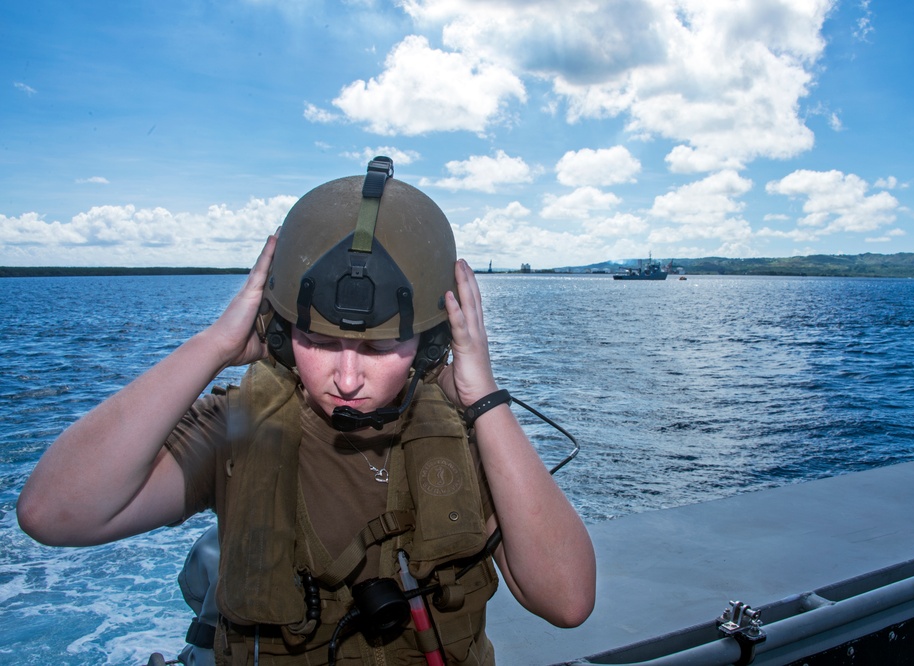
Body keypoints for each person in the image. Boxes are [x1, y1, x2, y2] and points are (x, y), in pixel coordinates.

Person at [17, 157, 596, 665]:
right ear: (277, 334)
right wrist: (215, 346)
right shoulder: (242, 429)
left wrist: (483, 399)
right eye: (317, 342)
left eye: (377, 348)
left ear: (432, 342)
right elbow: (53, 513)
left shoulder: (463, 437)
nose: (347, 378)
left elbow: (567, 601)